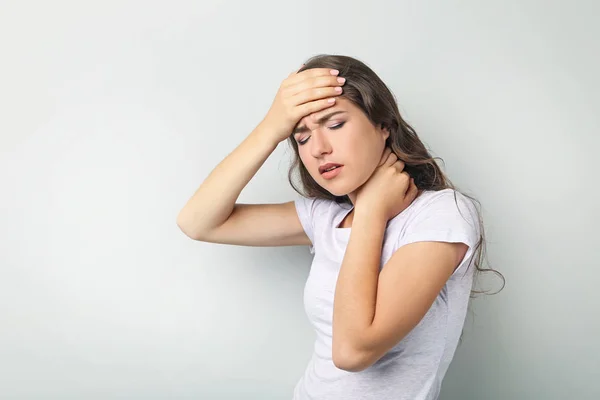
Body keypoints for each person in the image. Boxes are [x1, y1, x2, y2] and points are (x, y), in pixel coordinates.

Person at [177, 54, 503, 400]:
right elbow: (197, 222)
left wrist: (371, 212)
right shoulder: (326, 217)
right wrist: (271, 128)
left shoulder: (441, 214)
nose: (319, 149)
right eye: (301, 138)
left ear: (384, 126)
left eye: (335, 125)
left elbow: (353, 351)